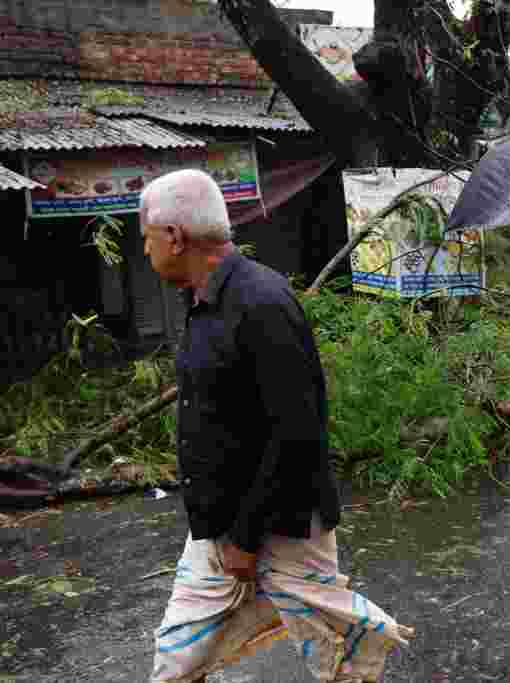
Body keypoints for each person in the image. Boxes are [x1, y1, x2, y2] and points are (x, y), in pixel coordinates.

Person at [141, 169, 411, 683]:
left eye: (147, 238)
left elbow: (298, 433)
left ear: (173, 236)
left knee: (339, 660)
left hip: (284, 527)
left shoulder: (262, 303)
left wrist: (247, 536)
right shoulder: (201, 303)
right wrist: (225, 532)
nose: (147, 251)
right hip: (216, 532)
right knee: (175, 661)